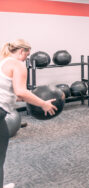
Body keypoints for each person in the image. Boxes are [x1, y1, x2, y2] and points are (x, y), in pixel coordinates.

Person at [0, 39, 57, 188]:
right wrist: (43, 103)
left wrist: (32, 98)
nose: (27, 58)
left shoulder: (3, 61)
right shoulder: (17, 64)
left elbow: (12, 92)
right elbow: (21, 91)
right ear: (21, 51)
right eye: (27, 54)